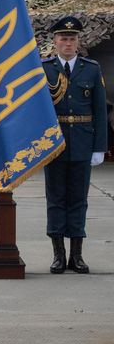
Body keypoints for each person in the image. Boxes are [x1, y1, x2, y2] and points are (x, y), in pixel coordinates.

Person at [42, 16, 108, 274]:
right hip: (54, 142)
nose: (68, 43)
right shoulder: (44, 68)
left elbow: (99, 110)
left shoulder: (91, 69)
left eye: (72, 39)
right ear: (55, 41)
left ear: (78, 42)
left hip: (82, 141)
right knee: (56, 198)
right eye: (63, 38)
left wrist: (99, 147)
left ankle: (76, 256)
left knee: (79, 199)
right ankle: (58, 255)